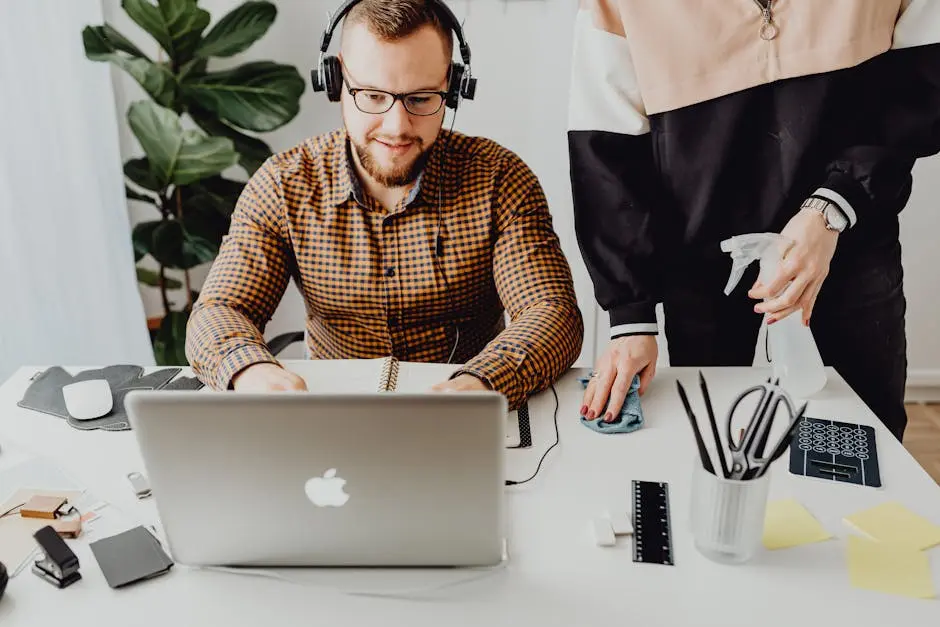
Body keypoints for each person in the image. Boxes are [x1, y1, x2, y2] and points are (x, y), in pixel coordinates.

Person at [568, 0, 940, 440]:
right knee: (715, 438)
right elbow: (606, 149)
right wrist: (631, 315)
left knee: (864, 441)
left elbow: (923, 84)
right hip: (704, 264)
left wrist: (832, 207)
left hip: (850, 241)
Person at [185, 0, 583, 410]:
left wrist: (481, 385)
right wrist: (250, 372)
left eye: (422, 98)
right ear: (336, 80)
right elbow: (221, 309)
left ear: (454, 86)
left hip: (467, 414)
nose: (396, 127)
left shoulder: (500, 179)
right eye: (373, 96)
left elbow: (551, 312)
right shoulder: (283, 184)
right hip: (332, 417)